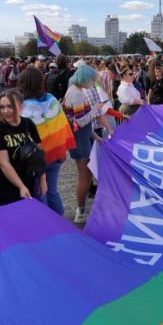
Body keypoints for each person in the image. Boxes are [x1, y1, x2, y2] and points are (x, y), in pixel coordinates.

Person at [18, 68, 75, 216]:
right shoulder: (52, 100)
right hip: (55, 154)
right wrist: (63, 150)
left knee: (39, 193)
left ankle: (46, 226)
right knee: (51, 190)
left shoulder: (22, 107)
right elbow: (62, 126)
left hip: (34, 159)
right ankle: (60, 222)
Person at [0, 89, 47, 207]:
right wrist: (21, 186)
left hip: (26, 179)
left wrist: (42, 178)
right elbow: (4, 164)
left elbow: (38, 155)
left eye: (10, 107)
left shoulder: (28, 124)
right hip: (2, 183)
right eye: (2, 107)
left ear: (21, 106)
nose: (6, 111)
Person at [62, 65, 98, 223]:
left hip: (83, 137)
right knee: (84, 175)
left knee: (87, 174)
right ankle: (81, 210)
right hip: (80, 139)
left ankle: (82, 209)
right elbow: (80, 121)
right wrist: (95, 110)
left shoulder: (75, 90)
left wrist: (94, 135)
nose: (93, 83)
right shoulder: (76, 94)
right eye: (92, 80)